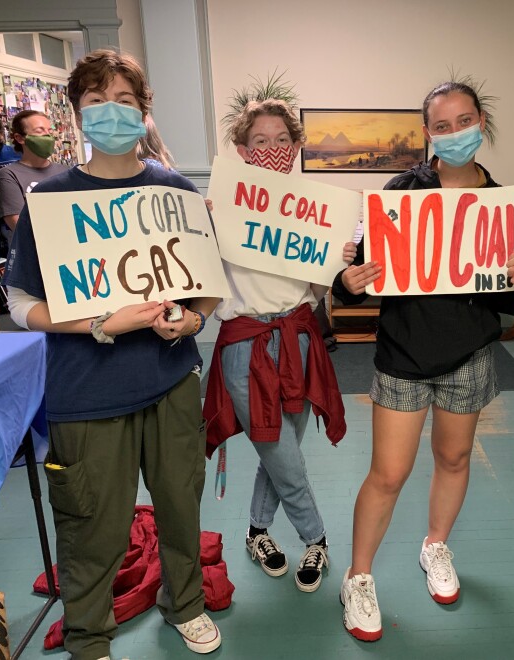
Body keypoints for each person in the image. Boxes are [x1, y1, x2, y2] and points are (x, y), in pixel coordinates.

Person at [6, 49, 222, 659]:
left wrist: (193, 321)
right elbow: (21, 300)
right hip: (87, 391)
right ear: (78, 114)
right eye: (97, 101)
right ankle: (89, 634)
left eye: (125, 100)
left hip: (171, 381)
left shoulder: (174, 190)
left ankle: (185, 603)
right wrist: (98, 322)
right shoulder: (51, 201)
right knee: (93, 522)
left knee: (180, 502)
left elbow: (204, 283)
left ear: (144, 112)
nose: (112, 112)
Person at [332, 80, 514, 642]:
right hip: (403, 356)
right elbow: (356, 284)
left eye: (465, 120)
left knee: (456, 457)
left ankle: (435, 545)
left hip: (471, 355)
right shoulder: (399, 192)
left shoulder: (503, 201)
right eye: (443, 125)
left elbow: (511, 303)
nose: (456, 132)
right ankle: (358, 577)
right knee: (388, 473)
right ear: (427, 133)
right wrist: (347, 279)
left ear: (481, 122)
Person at [203, 95, 347, 595]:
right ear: (242, 150)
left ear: (295, 146)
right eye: (259, 141)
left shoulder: (315, 211)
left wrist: (336, 259)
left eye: (281, 140)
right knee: (279, 451)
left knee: (281, 449)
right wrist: (204, 227)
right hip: (246, 343)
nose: (271, 149)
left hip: (299, 339)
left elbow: (316, 288)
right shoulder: (220, 209)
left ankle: (257, 532)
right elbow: (202, 277)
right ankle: (317, 538)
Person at [0, 110, 68, 231]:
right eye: (39, 131)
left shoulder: (65, 171)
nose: (48, 136)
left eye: (49, 131)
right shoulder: (9, 175)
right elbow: (18, 226)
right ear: (20, 138)